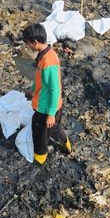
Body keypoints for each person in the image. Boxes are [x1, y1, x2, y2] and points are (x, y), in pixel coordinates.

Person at [21, 24, 70, 164]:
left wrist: (50, 114)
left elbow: (55, 90)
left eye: (28, 43)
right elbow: (41, 80)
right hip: (54, 106)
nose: (28, 46)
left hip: (46, 109)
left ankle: (39, 161)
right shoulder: (47, 53)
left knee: (39, 136)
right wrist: (32, 91)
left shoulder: (48, 62)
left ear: (35, 42)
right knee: (55, 130)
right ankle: (66, 145)